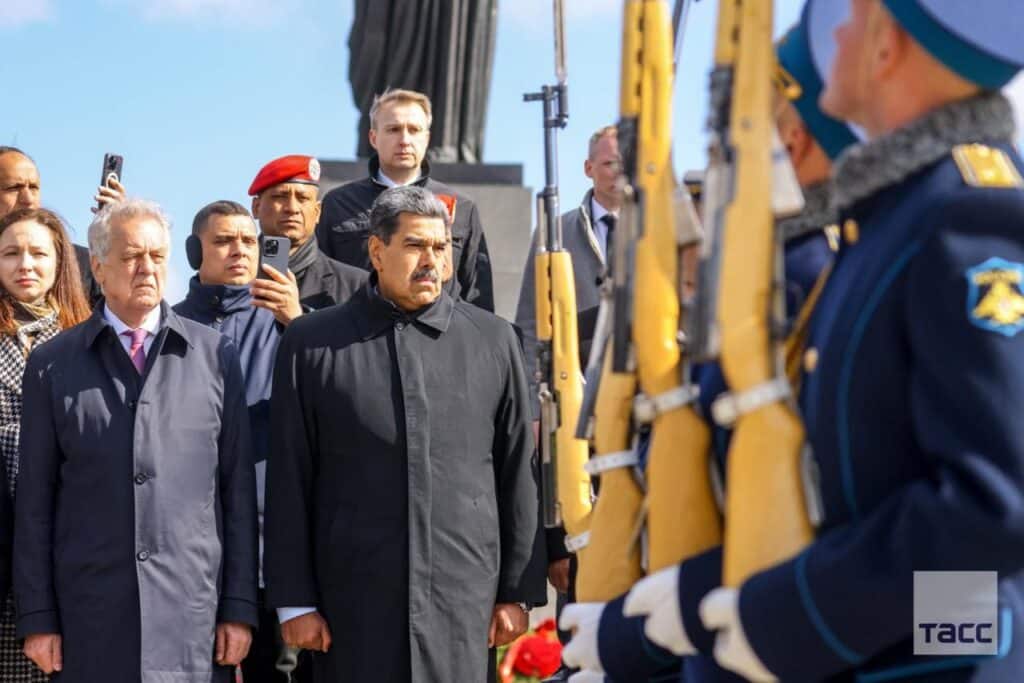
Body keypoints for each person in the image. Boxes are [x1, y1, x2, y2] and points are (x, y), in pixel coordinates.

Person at [624, 1, 1024, 681]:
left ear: (887, 46)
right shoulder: (897, 219)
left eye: (852, 17)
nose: (836, 29)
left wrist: (800, 617)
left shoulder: (967, 211)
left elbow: (995, 515)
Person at [559, 7, 860, 680]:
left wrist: (678, 615)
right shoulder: (784, 278)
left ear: (796, 140)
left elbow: (972, 542)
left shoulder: (813, 276)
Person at [265, 186, 545, 682]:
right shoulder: (312, 343)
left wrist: (515, 590)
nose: (431, 261)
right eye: (416, 246)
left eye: (441, 248)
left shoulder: (494, 341)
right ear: (377, 251)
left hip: (462, 604)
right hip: (350, 605)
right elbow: (290, 473)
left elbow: (517, 470)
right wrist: (294, 601)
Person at [13, 198, 258, 682]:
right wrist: (38, 617)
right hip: (90, 616)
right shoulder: (53, 364)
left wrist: (239, 605)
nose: (147, 269)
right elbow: (35, 501)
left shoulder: (214, 356)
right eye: (130, 257)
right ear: (99, 268)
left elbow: (236, 494)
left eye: (157, 256)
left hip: (191, 616)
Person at [173, 200, 307, 683]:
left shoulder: (286, 322)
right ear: (195, 251)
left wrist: (300, 323)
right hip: (191, 549)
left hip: (272, 547)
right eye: (224, 241)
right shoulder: (168, 327)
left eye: (249, 240)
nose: (239, 251)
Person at [0, 208, 91, 682]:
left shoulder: (89, 341)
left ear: (61, 262)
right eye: (11, 253)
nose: (25, 265)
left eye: (39, 253)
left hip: (68, 548)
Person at [315, 88, 494, 311]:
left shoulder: (463, 209)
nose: (405, 140)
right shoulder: (338, 204)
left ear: (427, 138)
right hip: (356, 338)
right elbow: (320, 282)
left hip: (439, 339)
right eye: (393, 129)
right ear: (373, 137)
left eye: (414, 130)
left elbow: (477, 296)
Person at [0, 147, 124, 306]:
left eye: (33, 187)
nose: (28, 199)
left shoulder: (81, 264)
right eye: (14, 188)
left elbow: (121, 311)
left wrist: (119, 236)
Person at [249, 155, 366, 314]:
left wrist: (296, 319)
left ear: (317, 212)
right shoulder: (231, 274)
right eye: (279, 197)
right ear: (256, 208)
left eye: (302, 198)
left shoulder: (357, 286)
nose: (292, 208)